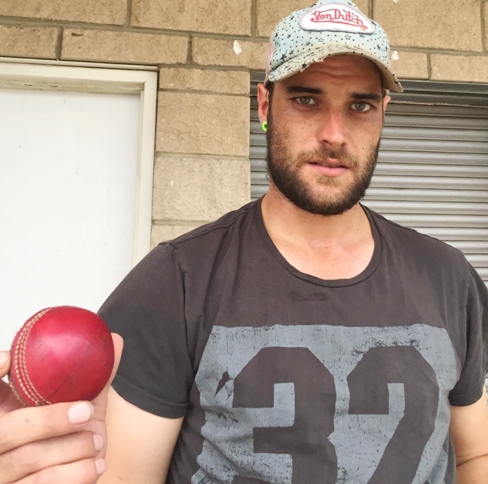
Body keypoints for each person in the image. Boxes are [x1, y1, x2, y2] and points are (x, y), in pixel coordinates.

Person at [1, 0, 488, 482]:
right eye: (306, 99)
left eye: (359, 105)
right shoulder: (177, 281)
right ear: (264, 105)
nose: (334, 134)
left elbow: (475, 456)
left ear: (383, 114)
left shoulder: (447, 276)